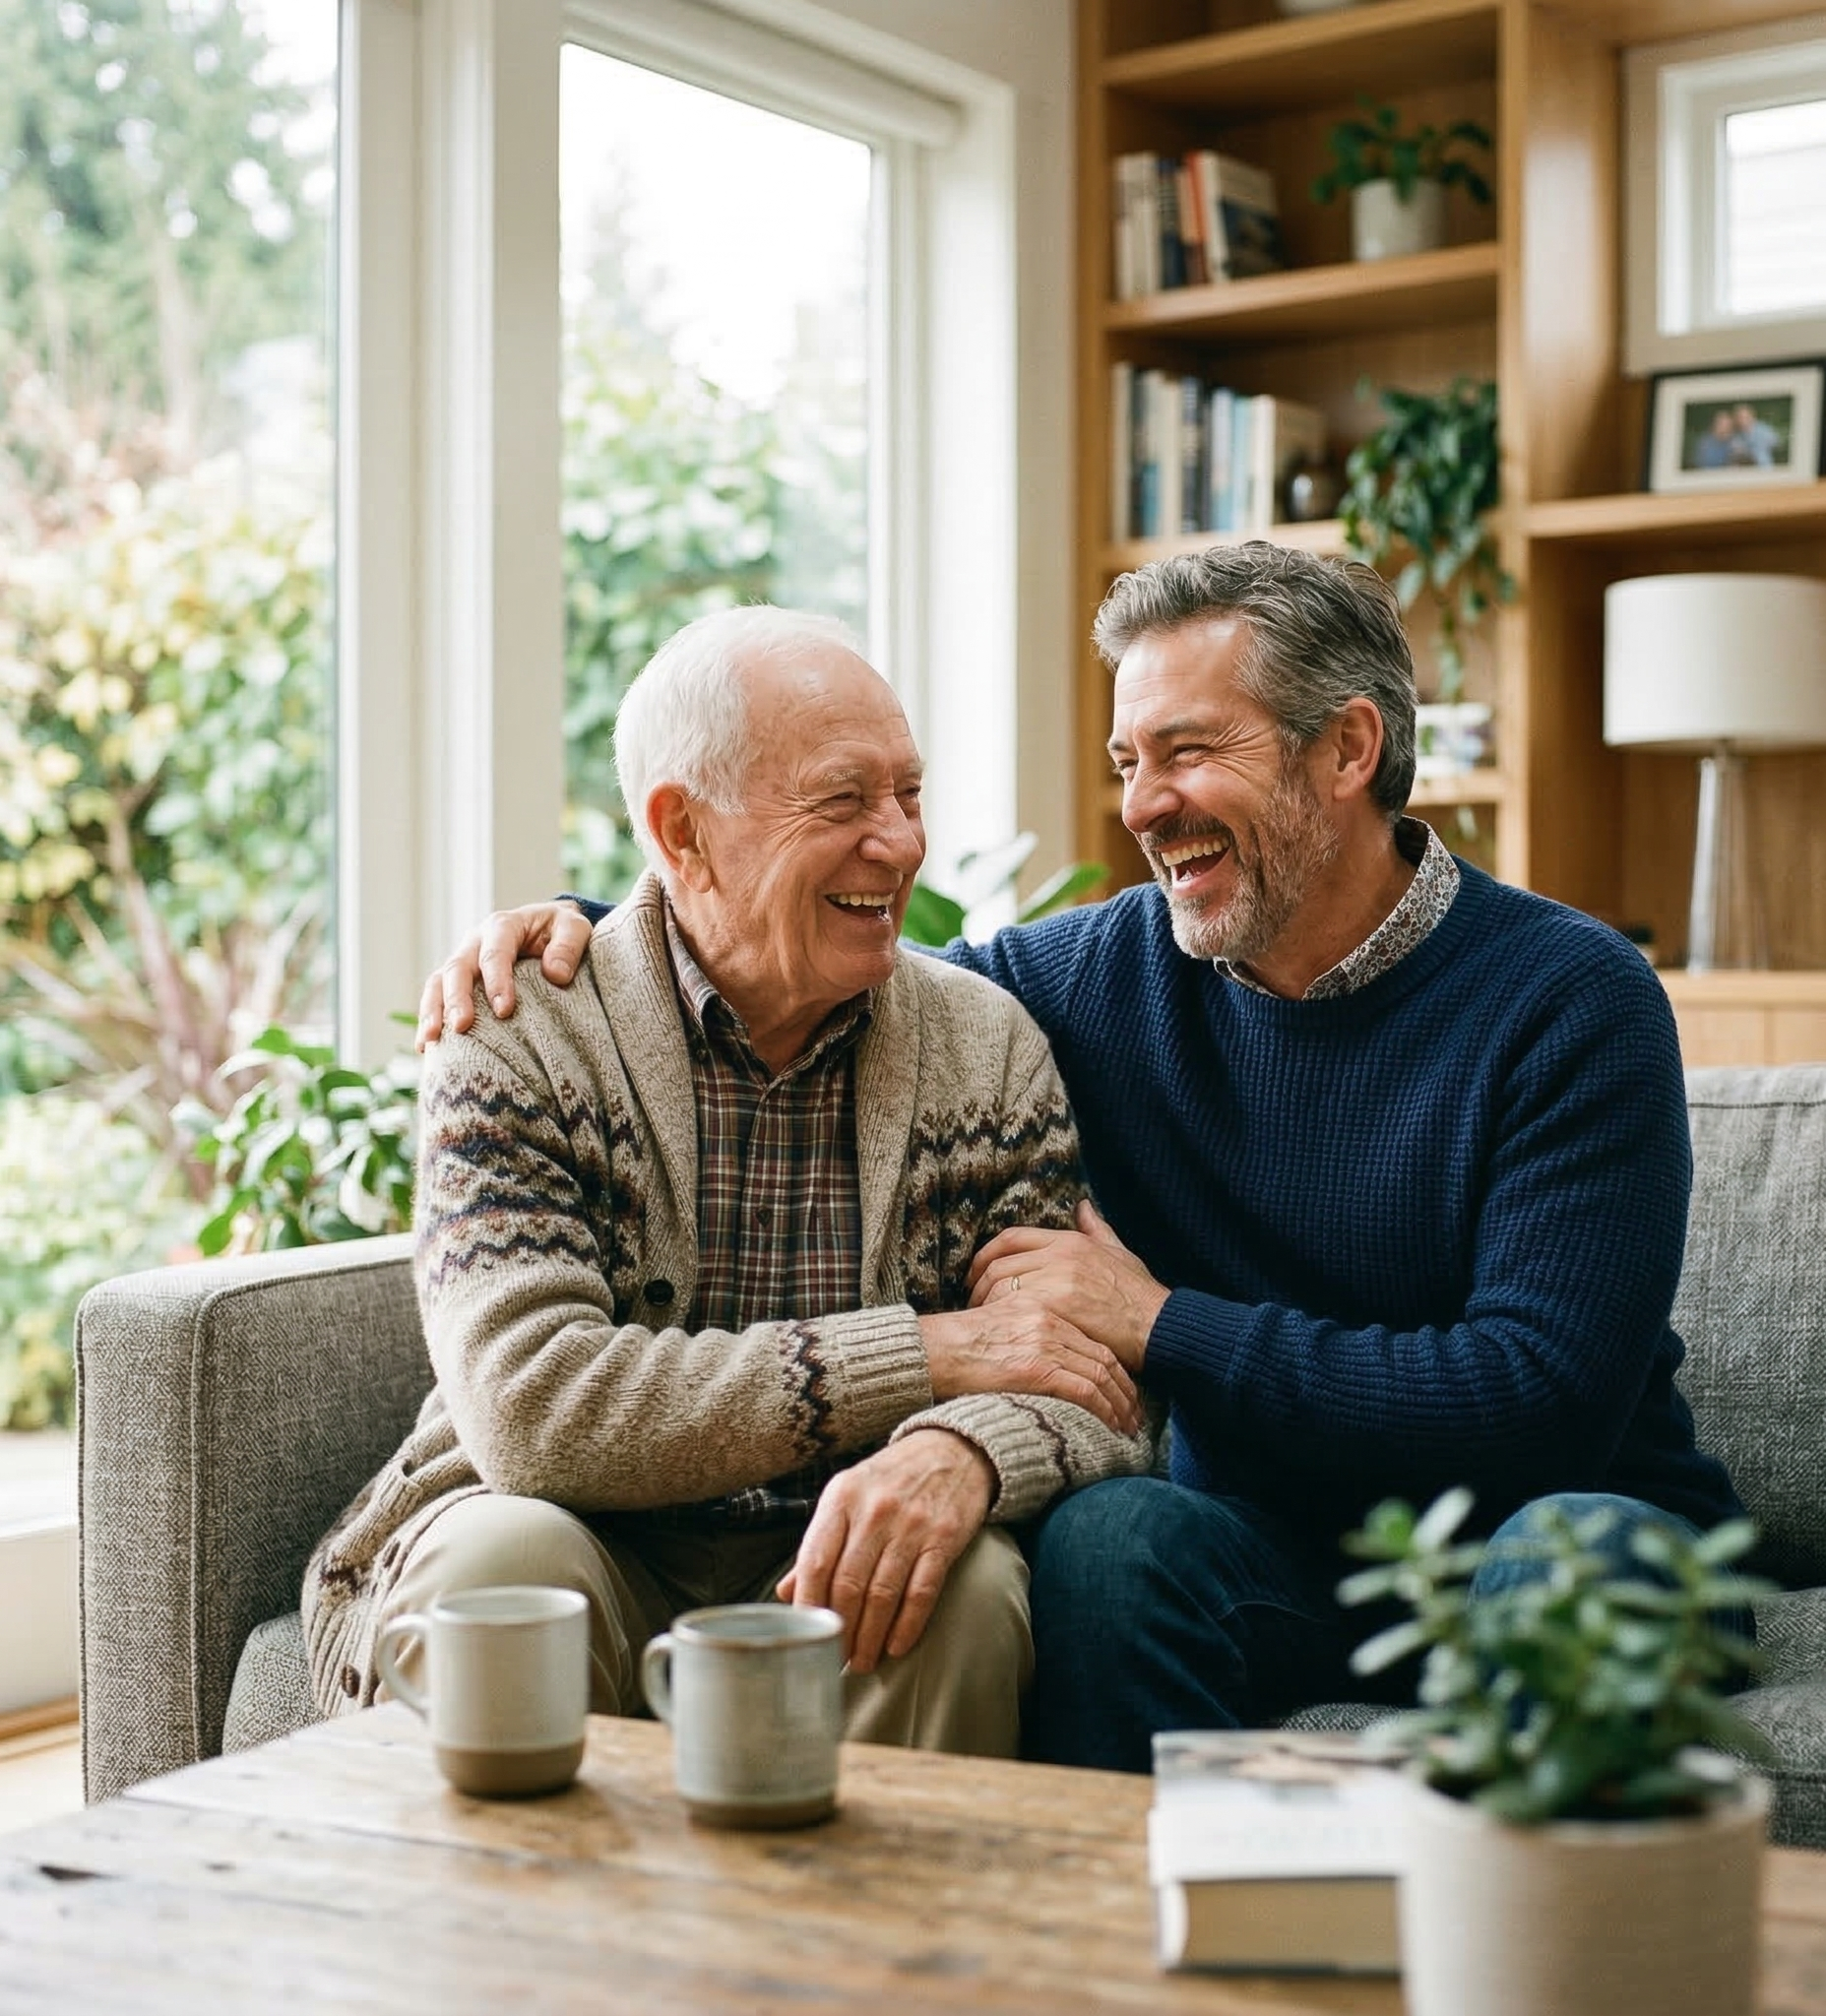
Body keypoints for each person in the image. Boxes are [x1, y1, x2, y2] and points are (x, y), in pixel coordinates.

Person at [420, 546, 1743, 1772]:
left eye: (1189, 751)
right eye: (1127, 760)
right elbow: (821, 958)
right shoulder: (1096, 976)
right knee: (1113, 1546)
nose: (1145, 808)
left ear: (1347, 749)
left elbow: (1539, 1399)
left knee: (1570, 1568)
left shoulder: (1572, 998)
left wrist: (1162, 1325)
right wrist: (604, 931)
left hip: (1561, 1516)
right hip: (1268, 1549)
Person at [308, 605, 1151, 1759]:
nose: (899, 842)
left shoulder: (984, 1045)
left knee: (963, 1587)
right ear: (682, 830)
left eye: (908, 794)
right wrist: (930, 1350)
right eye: (843, 799)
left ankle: (899, 1945)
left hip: (829, 1560)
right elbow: (533, 1412)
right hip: (574, 1533)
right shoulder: (520, 1028)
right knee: (505, 1566)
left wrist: (962, 1449)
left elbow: (1085, 1383)